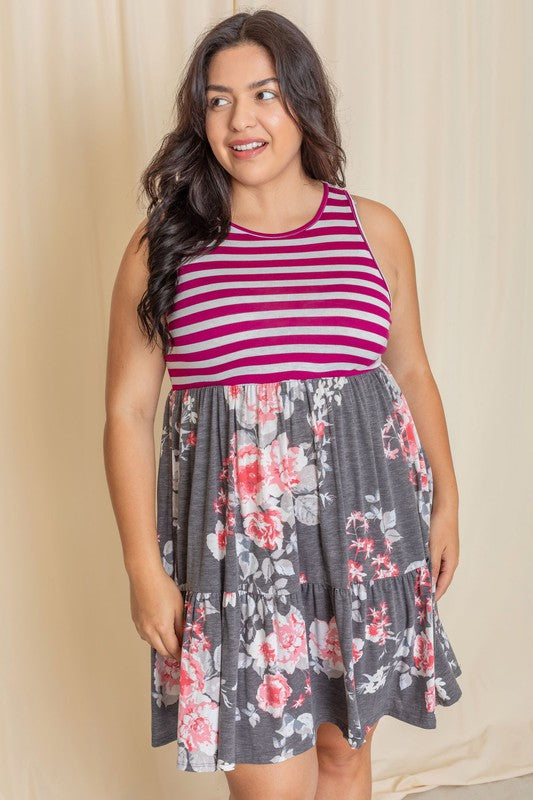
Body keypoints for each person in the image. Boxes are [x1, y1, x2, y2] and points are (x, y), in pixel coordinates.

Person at [103, 9, 463, 800]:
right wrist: (142, 566)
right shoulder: (165, 242)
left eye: (264, 93)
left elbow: (410, 369)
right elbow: (128, 414)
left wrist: (446, 503)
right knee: (268, 785)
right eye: (218, 99)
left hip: (365, 536)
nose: (242, 119)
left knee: (344, 759)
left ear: (303, 101)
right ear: (198, 117)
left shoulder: (373, 229)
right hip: (237, 558)